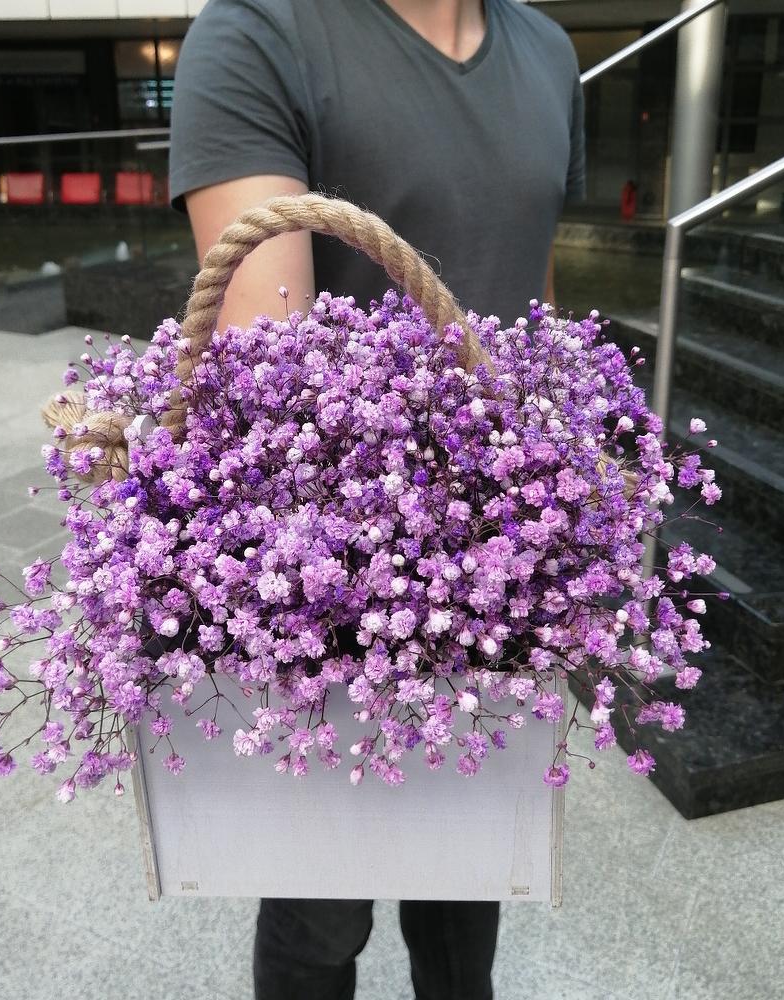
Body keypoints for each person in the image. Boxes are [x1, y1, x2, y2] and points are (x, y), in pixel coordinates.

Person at [168, 1, 585, 997]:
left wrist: (558, 495)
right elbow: (272, 378)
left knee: (470, 886)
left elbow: (530, 300)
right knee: (321, 909)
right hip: (332, 582)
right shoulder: (259, 32)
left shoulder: (549, 51)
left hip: (500, 566)